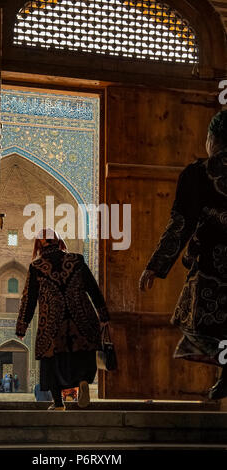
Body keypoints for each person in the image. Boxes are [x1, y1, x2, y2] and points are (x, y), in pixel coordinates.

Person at [139, 110, 227, 400]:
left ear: (212, 139)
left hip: (212, 270)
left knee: (208, 329)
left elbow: (180, 225)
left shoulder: (198, 174)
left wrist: (156, 265)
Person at [16, 228, 110, 410]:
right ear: (59, 241)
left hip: (52, 322)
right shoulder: (77, 260)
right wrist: (103, 315)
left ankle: (58, 403)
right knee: (82, 355)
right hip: (81, 318)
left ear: (39, 246)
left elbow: (29, 299)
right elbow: (93, 288)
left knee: (51, 362)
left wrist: (22, 326)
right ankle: (83, 381)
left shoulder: (37, 267)